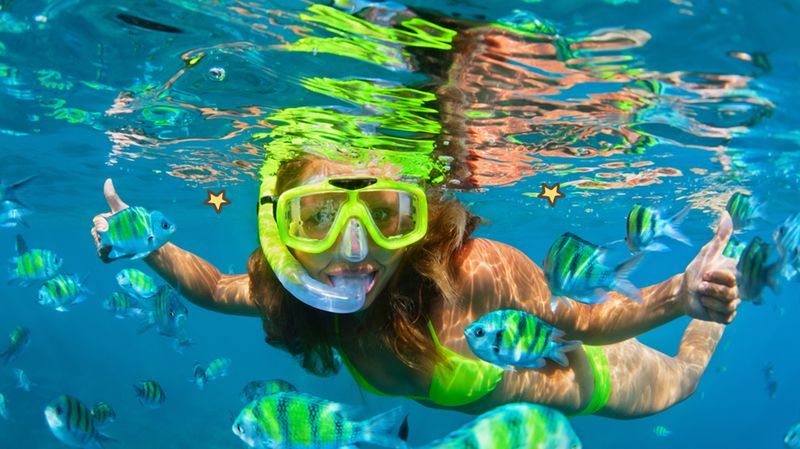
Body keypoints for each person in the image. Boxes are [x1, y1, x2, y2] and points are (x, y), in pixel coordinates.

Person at [91, 154, 740, 419]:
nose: (354, 248)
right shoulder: (293, 290)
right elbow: (211, 288)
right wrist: (146, 241)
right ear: (281, 228)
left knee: (685, 379)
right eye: (318, 216)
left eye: (383, 213)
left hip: (582, 377)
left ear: (416, 219)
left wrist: (678, 296)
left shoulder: (473, 271)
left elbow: (582, 322)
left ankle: (717, 279)